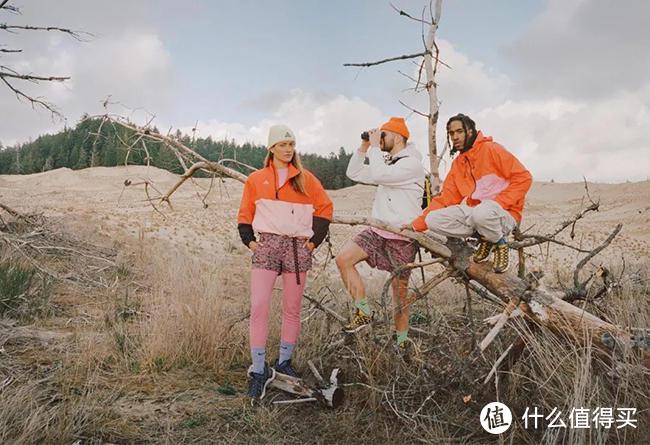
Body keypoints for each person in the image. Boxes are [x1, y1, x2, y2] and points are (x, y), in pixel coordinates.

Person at [238, 124, 333, 399]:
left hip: (296, 249)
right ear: (272, 148)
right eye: (283, 144)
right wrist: (251, 241)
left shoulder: (306, 179)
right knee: (258, 306)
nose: (288, 149)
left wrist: (313, 242)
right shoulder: (256, 179)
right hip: (267, 246)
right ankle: (258, 371)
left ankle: (284, 363)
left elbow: (326, 208)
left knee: (292, 309)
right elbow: (245, 212)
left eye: (291, 144)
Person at [335, 117, 425, 351]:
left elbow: (381, 175)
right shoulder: (386, 162)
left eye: (383, 135)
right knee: (343, 259)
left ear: (397, 136)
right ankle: (363, 311)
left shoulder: (412, 164)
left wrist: (374, 149)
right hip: (378, 230)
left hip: (402, 237)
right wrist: (365, 147)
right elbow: (354, 171)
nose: (380, 139)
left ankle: (402, 342)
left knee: (399, 295)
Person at [410, 113, 532, 273]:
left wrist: (498, 203)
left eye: (459, 131)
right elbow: (445, 199)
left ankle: (500, 241)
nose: (455, 137)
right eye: (451, 133)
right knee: (433, 220)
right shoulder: (459, 164)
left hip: (504, 214)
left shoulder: (492, 149)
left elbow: (524, 178)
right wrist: (415, 225)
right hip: (478, 214)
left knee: (482, 212)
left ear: (470, 131)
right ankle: (486, 237)